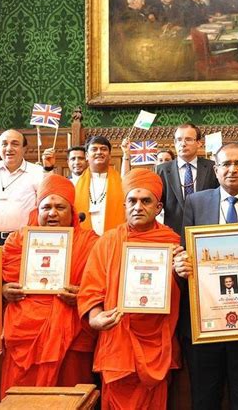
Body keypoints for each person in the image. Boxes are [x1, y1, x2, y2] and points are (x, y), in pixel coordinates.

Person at [173, 142, 238, 410]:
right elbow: (186, 251)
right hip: (204, 320)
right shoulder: (196, 202)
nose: (232, 169)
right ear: (216, 169)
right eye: (226, 164)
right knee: (204, 398)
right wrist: (181, 263)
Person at [78, 168, 181, 409]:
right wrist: (95, 318)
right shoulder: (108, 241)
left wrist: (180, 272)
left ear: (158, 208)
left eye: (146, 201)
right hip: (118, 340)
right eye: (132, 201)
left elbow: (182, 292)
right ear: (124, 205)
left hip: (157, 340)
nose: (138, 206)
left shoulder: (172, 243)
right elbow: (91, 289)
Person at [1, 174, 99, 395]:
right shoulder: (17, 241)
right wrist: (4, 290)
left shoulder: (91, 243)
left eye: (60, 207)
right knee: (20, 397)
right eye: (46, 207)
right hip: (24, 332)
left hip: (71, 333)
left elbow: (102, 287)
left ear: (72, 212)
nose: (52, 213)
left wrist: (82, 296)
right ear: (37, 211)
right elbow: (0, 281)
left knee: (68, 396)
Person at [0, 129, 55, 244]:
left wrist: (48, 169)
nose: (9, 148)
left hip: (22, 240)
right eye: (4, 144)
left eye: (15, 144)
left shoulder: (37, 172)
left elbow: (50, 195)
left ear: (24, 149)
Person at [156, 123, 219, 235]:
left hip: (206, 232)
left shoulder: (212, 168)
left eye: (188, 139)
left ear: (199, 143)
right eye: (179, 140)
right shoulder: (162, 170)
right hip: (173, 233)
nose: (183, 144)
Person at [75, 135, 125, 235]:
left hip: (114, 239)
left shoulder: (121, 183)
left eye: (103, 149)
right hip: (85, 241)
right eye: (94, 149)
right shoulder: (75, 183)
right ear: (86, 156)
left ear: (110, 155)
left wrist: (126, 156)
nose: (99, 152)